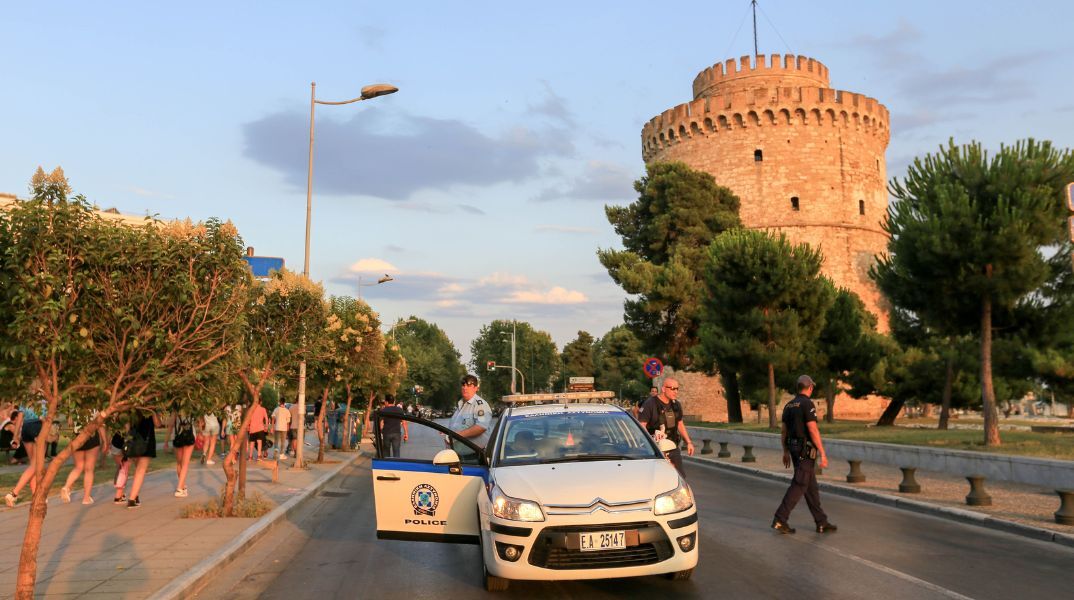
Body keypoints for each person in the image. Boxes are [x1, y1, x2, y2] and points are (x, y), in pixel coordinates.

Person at [772, 375, 837, 534]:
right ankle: (780, 519)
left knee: (810, 487)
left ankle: (821, 522)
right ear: (810, 387)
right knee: (800, 483)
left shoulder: (789, 405)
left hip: (793, 448)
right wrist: (823, 453)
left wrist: (785, 451)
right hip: (804, 450)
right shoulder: (807, 404)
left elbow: (784, 431)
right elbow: (812, 429)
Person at [639, 378, 695, 477]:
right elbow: (642, 425)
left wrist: (688, 442)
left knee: (679, 477)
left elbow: (680, 423)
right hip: (655, 450)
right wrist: (651, 444)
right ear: (664, 389)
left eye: (677, 389)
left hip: (673, 447)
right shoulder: (650, 404)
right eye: (672, 388)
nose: (676, 391)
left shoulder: (676, 405)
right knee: (659, 478)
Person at [4, 399, 47, 507]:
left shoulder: (26, 398)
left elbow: (20, 417)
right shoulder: (44, 399)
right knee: (36, 465)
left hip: (26, 428)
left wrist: (15, 437)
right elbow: (45, 418)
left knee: (33, 465)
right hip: (38, 426)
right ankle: (13, 493)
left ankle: (35, 497)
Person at [60, 413, 106, 505]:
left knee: (78, 466)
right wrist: (104, 440)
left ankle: (66, 487)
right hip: (92, 436)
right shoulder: (95, 408)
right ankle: (86, 498)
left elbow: (70, 423)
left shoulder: (74, 408)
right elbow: (100, 425)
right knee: (89, 469)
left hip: (77, 436)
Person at [125, 410, 162, 508]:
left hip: (134, 440)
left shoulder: (131, 408)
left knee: (138, 469)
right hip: (147, 441)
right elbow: (158, 424)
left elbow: (127, 425)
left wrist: (128, 438)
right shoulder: (151, 408)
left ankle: (135, 495)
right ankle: (132, 499)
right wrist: (154, 412)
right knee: (140, 470)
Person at [447, 374, 493, 448]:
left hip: (475, 453)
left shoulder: (479, 405)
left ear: (475, 388)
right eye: (463, 385)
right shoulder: (460, 404)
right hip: (458, 452)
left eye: (469, 385)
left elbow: (481, 427)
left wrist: (456, 435)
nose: (465, 388)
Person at [171, 412, 197, 497]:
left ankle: (182, 486)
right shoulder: (192, 407)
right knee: (185, 464)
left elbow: (171, 424)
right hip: (189, 435)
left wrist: (166, 441)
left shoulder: (175, 408)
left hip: (177, 436)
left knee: (180, 463)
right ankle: (180, 488)